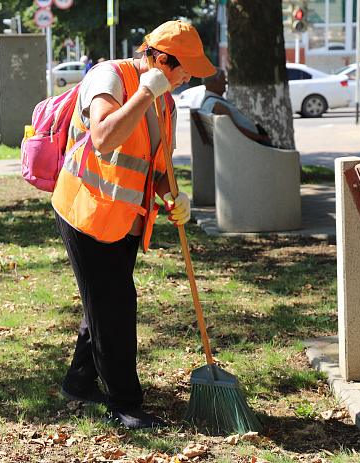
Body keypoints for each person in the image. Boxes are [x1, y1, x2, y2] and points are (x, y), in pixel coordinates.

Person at [52, 20, 215, 430]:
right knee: (116, 306)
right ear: (160, 60)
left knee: (104, 303)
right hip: (85, 209)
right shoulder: (108, 77)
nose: (188, 77)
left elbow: (158, 169)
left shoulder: (167, 102)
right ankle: (124, 403)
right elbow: (104, 138)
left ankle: (79, 382)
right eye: (183, 69)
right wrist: (146, 92)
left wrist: (174, 195)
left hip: (125, 219)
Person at [201, 68, 274, 147]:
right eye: (223, 79)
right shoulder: (217, 105)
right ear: (215, 81)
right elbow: (235, 130)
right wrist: (262, 138)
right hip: (249, 145)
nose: (226, 82)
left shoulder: (209, 102)